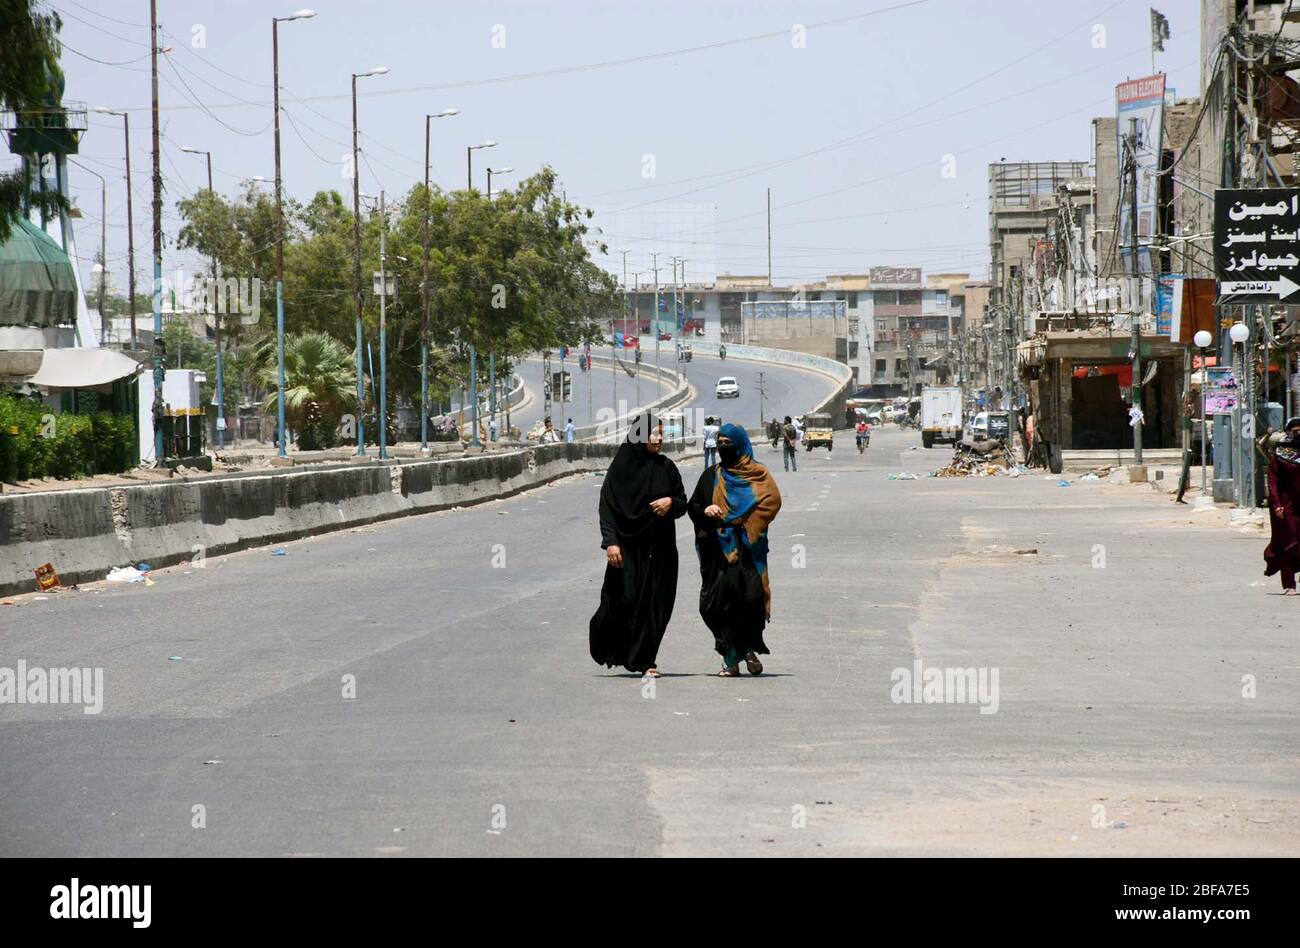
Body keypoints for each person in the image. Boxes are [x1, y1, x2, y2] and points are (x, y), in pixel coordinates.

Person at [590, 412, 689, 676]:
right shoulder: (620, 469)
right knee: (627, 600)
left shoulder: (666, 467)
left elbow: (683, 503)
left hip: (661, 550)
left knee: (656, 606)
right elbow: (607, 508)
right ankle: (618, 647)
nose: (660, 439)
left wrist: (671, 503)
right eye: (655, 433)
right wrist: (611, 543)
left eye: (661, 434)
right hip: (627, 550)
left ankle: (646, 660)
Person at [688, 423, 782, 677]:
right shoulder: (711, 476)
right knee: (711, 606)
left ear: (740, 445)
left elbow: (772, 500)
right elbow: (693, 506)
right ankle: (743, 651)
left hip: (748, 551)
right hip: (716, 554)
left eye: (728, 443)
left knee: (749, 602)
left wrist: (743, 520)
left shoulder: (758, 474)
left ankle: (736, 656)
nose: (723, 448)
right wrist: (706, 511)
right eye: (720, 444)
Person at [1265, 417, 1300, 595]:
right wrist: (1277, 503)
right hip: (1286, 505)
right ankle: (1289, 584)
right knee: (1289, 542)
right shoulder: (1281, 453)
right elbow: (1273, 480)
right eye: (1295, 431)